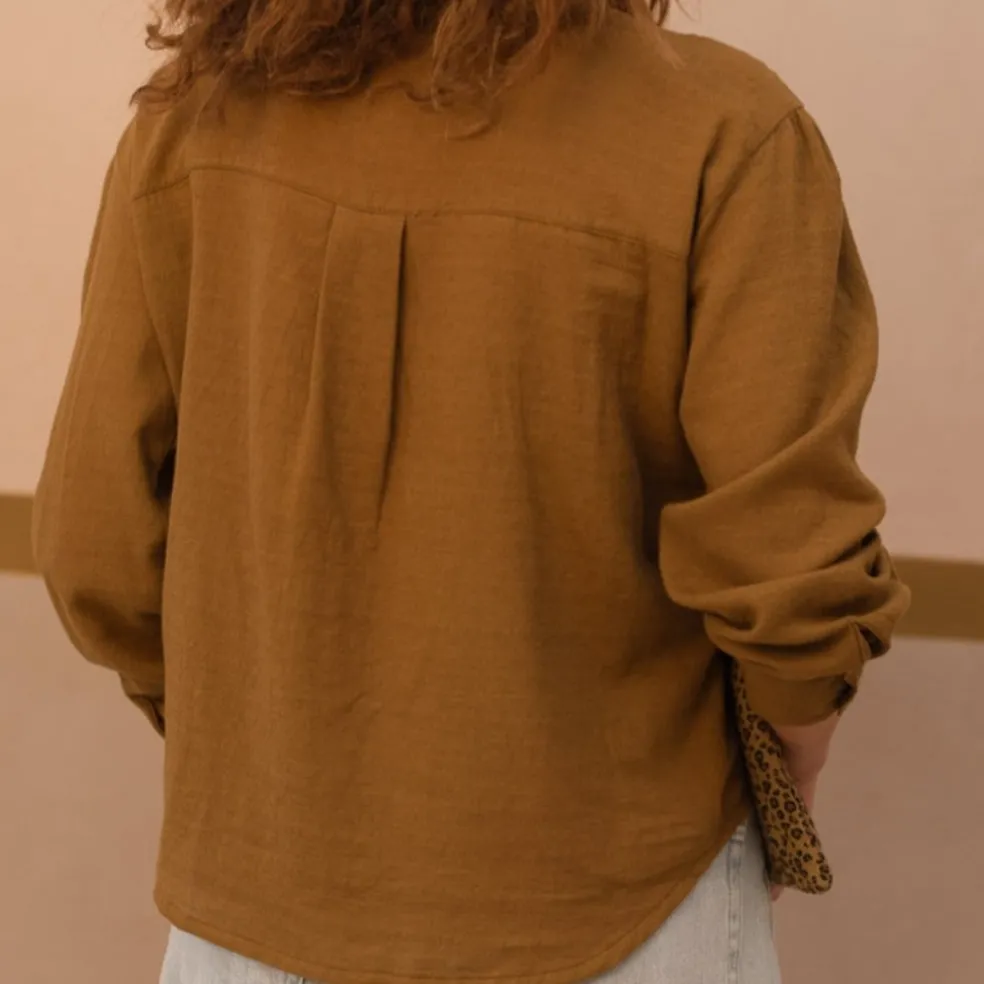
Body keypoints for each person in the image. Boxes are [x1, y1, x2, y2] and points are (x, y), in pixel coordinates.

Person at [33, 1, 910, 982]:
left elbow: (93, 546)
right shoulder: (723, 130)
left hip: (251, 902)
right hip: (618, 894)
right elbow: (789, 562)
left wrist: (256, 734)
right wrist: (794, 751)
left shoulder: (195, 116)